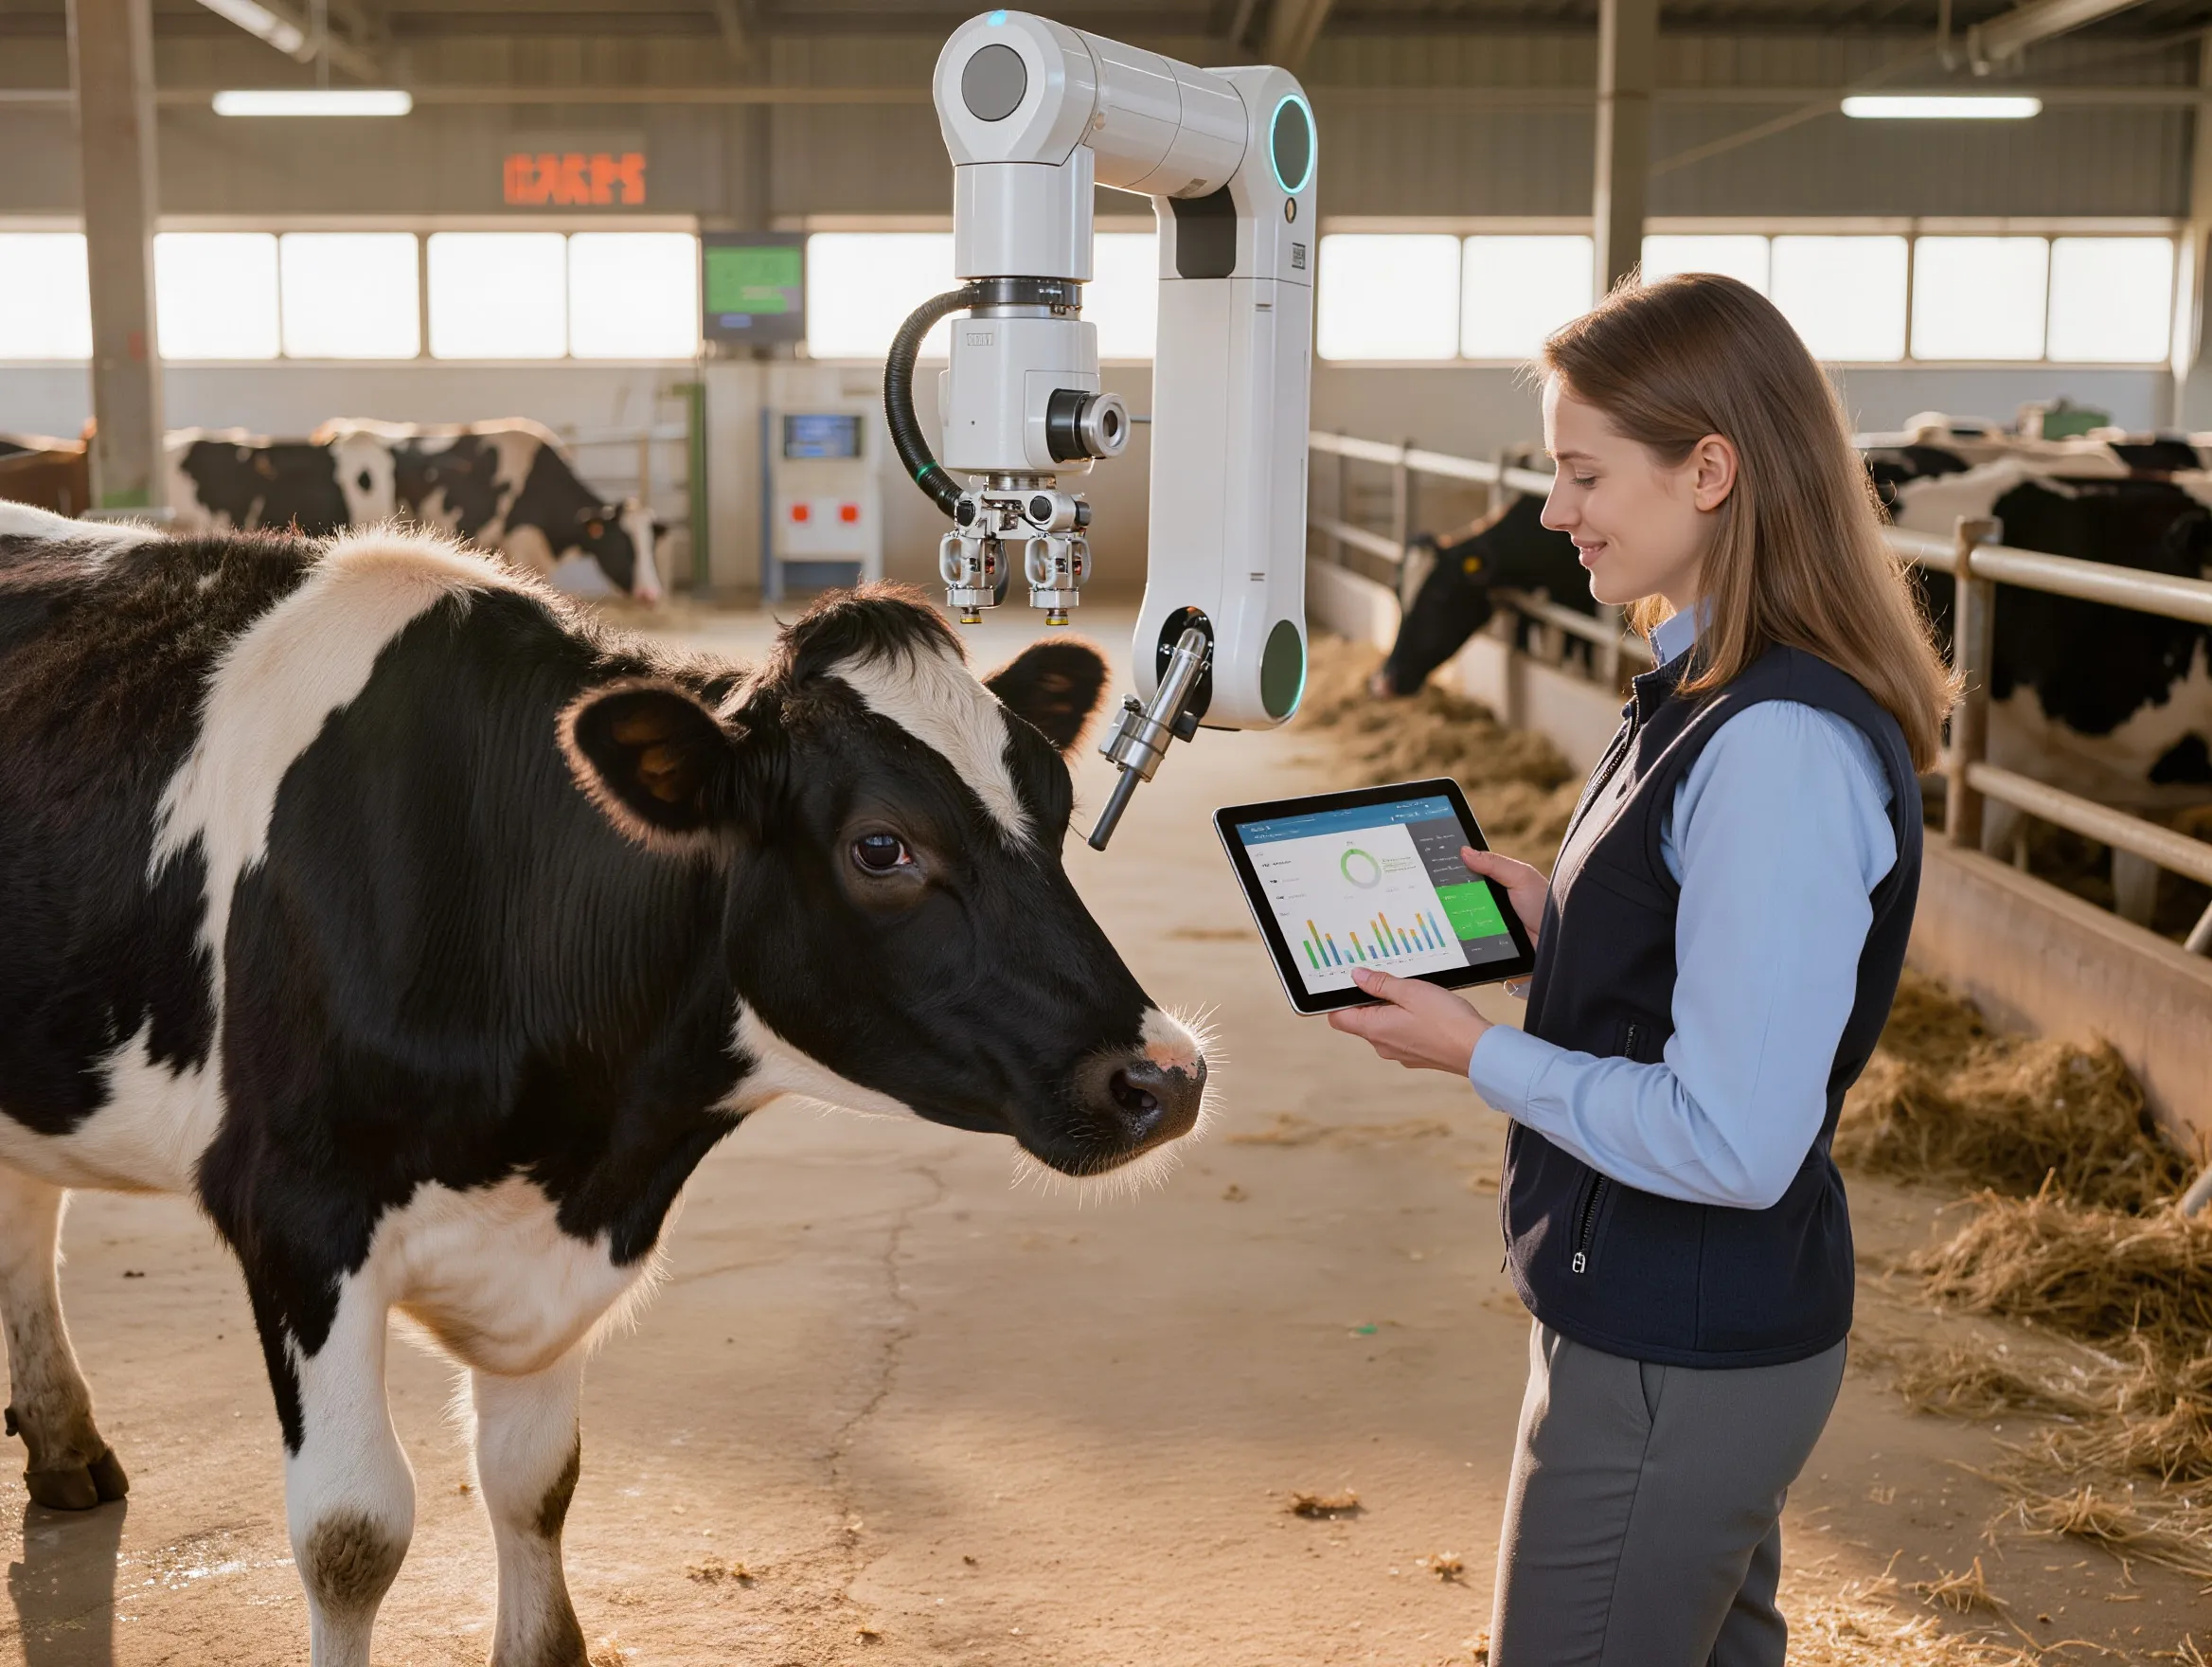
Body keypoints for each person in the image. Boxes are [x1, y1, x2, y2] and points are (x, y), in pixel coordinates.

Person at [1328, 272, 1955, 1667]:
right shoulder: (1702, 683)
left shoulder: (1775, 743)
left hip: (1681, 1344)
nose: (1555, 514)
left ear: (1712, 470)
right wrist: (1569, 923)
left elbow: (1735, 1136)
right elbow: (1713, 956)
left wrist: (1476, 1052)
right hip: (1672, 1322)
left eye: (1583, 472)